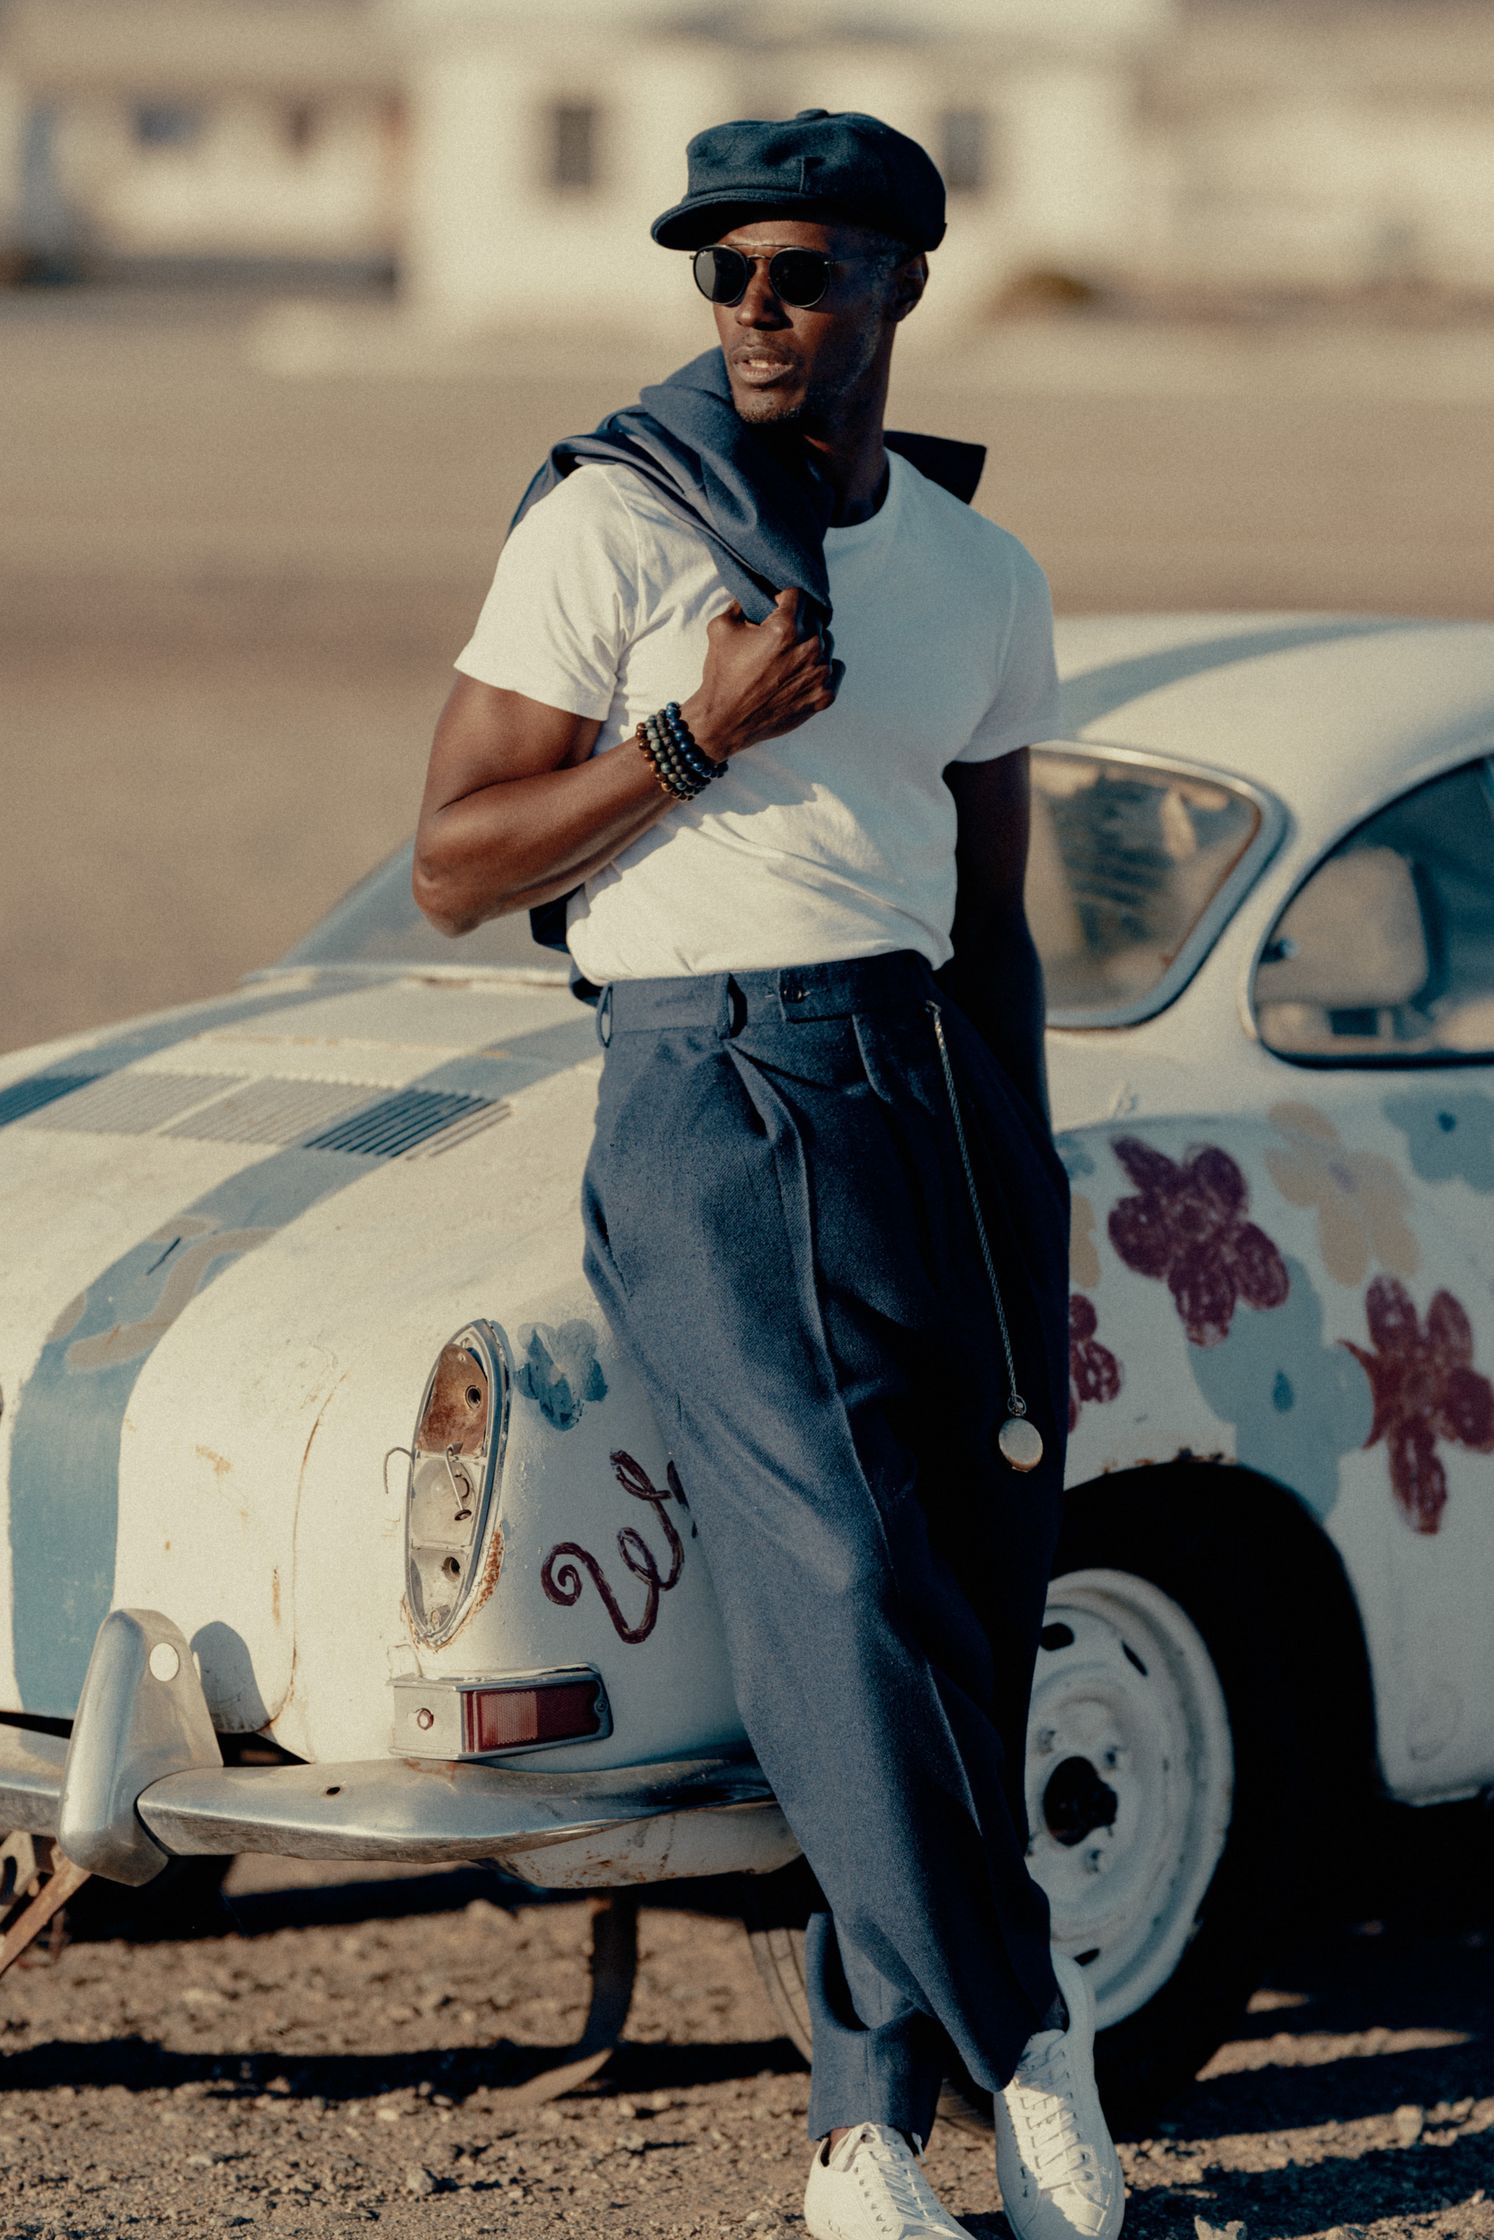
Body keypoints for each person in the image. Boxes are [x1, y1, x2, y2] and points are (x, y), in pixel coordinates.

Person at [413, 106, 1125, 2240]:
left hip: (925, 1090)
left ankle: (861, 2127)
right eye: (718, 271)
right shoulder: (614, 529)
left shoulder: (982, 575)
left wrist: (1022, 1179)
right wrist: (694, 736)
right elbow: (451, 862)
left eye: (799, 272)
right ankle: (1033, 2033)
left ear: (904, 284)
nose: (749, 308)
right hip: (708, 1091)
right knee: (841, 1583)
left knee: (961, 1591)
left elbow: (989, 919)